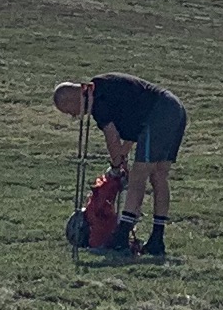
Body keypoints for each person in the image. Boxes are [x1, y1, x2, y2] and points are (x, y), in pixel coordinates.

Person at [50, 72, 189, 258]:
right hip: (174, 109)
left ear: (70, 100)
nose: (75, 116)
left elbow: (112, 137)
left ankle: (121, 238)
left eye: (70, 112)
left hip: (159, 114)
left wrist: (117, 167)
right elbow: (133, 126)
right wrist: (122, 156)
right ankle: (157, 239)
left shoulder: (98, 101)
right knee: (159, 175)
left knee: (138, 175)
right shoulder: (101, 87)